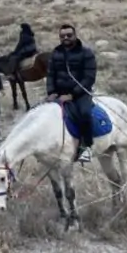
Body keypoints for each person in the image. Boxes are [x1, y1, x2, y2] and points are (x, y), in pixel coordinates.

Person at [46, 23, 98, 163]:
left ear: (75, 36)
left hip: (80, 94)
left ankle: (87, 146)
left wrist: (72, 94)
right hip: (59, 94)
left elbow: (89, 78)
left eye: (69, 35)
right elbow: (50, 75)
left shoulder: (86, 53)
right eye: (62, 36)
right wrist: (51, 92)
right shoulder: (55, 53)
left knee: (85, 113)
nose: (66, 38)